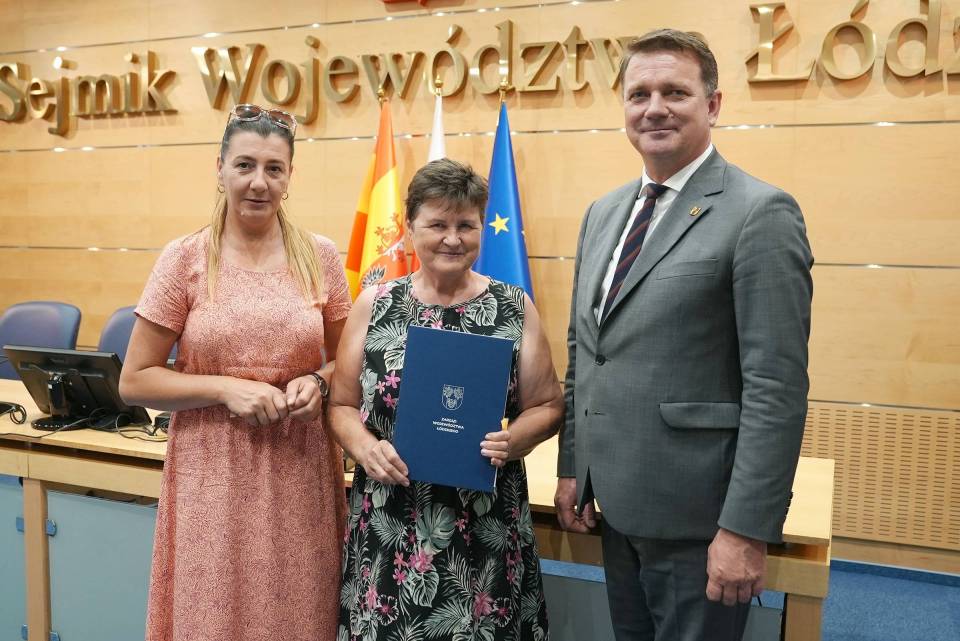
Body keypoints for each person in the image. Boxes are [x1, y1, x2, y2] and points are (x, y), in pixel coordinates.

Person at [554, 29, 813, 641]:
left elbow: (775, 388)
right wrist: (573, 467)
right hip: (616, 504)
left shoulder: (760, 212)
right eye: (638, 94)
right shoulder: (603, 214)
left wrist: (745, 529)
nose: (655, 108)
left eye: (675, 92)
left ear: (713, 104)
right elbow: (586, 353)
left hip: (702, 521)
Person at [119, 104, 351, 641]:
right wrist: (225, 388)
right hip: (211, 478)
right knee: (214, 617)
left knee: (300, 617)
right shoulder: (183, 259)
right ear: (220, 168)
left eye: (274, 168)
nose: (258, 182)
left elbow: (350, 363)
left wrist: (319, 381)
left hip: (300, 474)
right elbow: (135, 380)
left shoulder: (320, 257)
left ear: (289, 178)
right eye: (245, 165)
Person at [330, 158, 562, 641]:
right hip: (391, 519)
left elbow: (547, 405)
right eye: (438, 224)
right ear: (410, 226)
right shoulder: (374, 304)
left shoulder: (514, 307)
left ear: (482, 229)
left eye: (466, 225)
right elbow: (341, 405)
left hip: (484, 526)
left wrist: (516, 438)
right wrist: (365, 448)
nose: (452, 239)